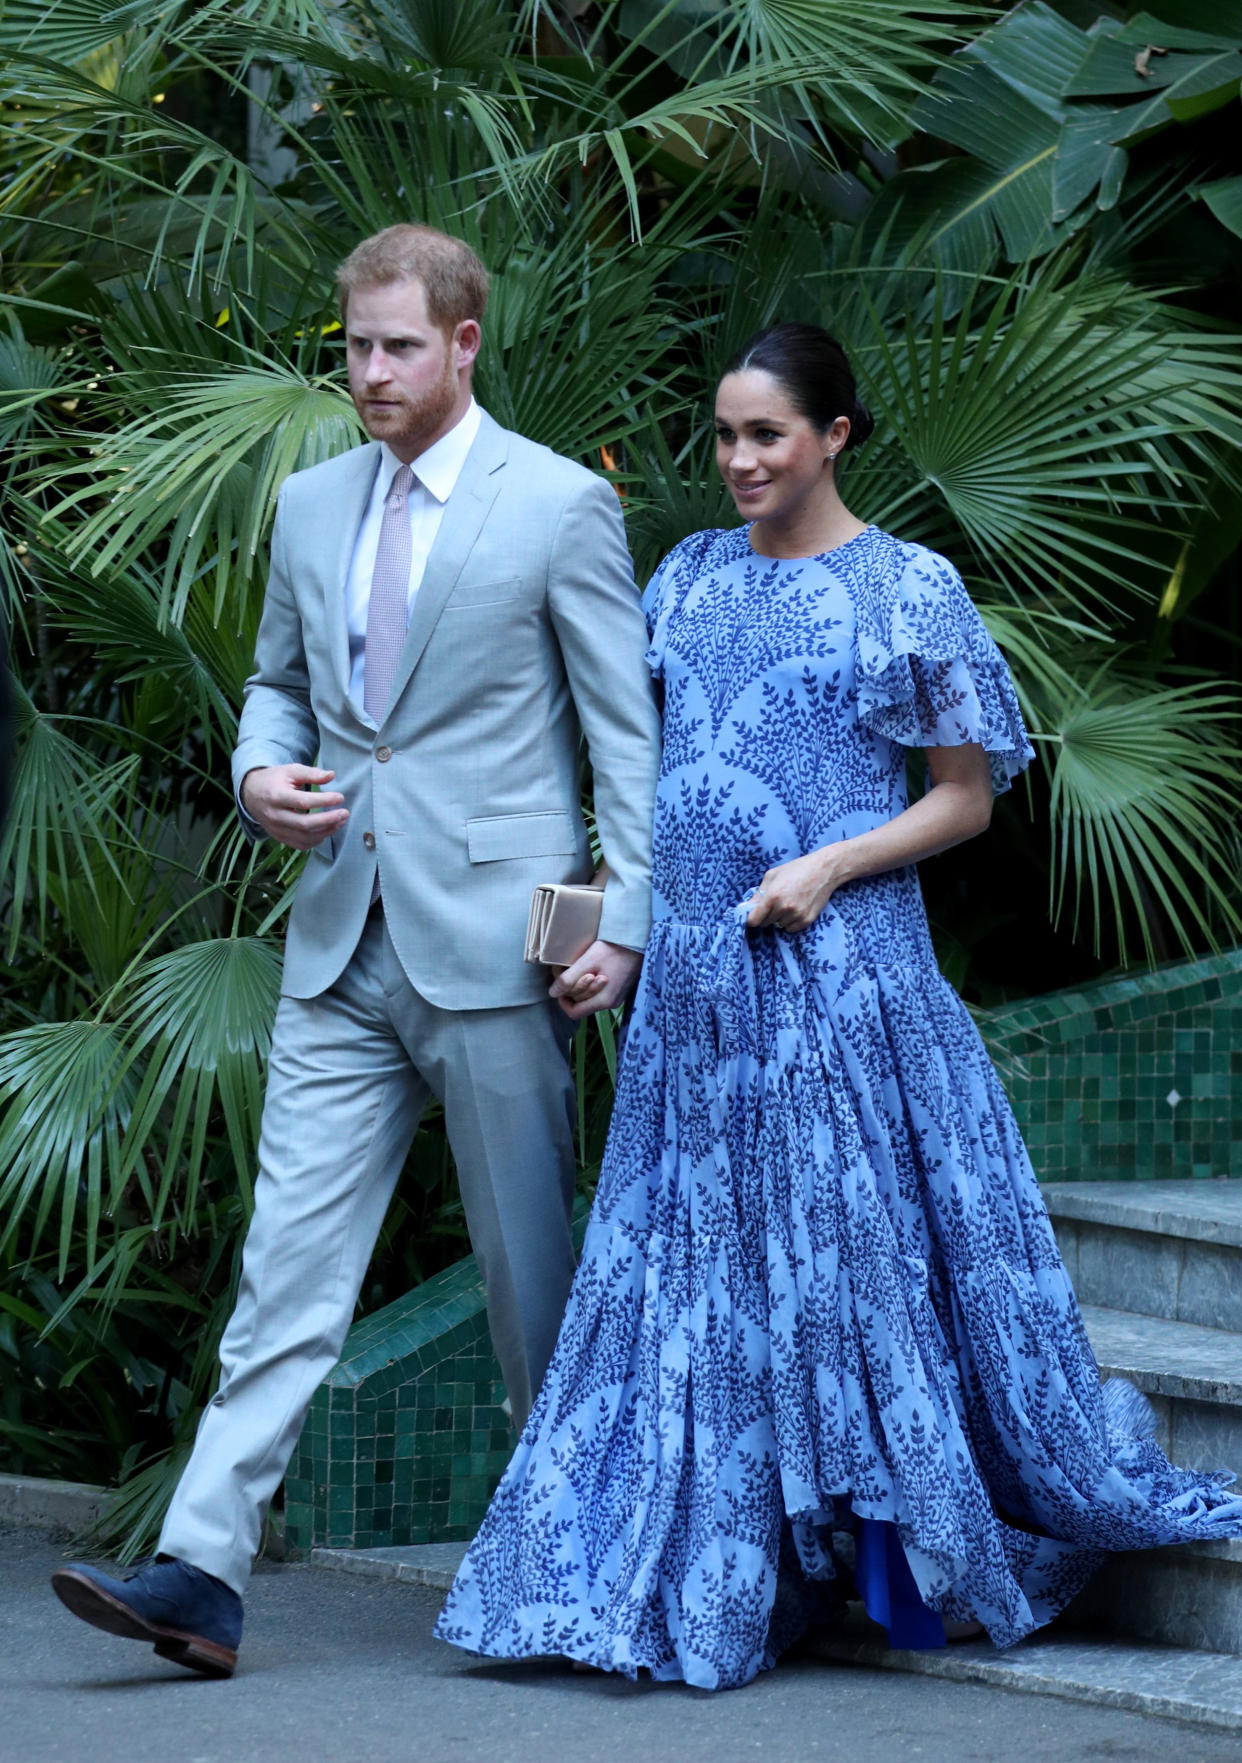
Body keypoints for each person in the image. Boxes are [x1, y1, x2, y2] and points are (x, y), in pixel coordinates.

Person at [435, 322, 1242, 1690]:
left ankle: (900, 1569)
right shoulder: (682, 579)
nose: (738, 459)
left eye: (765, 434)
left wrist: (826, 863)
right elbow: (644, 801)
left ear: (833, 438)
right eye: (724, 434)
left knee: (845, 1287)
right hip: (693, 1007)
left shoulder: (903, 589)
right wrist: (606, 944)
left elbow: (965, 794)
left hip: (840, 987)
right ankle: (706, 1563)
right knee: (692, 1293)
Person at [50, 224, 662, 1678]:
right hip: (335, 940)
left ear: (464, 341)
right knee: (284, 1273)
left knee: (529, 1281)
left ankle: (567, 1553)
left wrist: (626, 917)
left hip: (502, 950)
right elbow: (274, 689)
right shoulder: (313, 502)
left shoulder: (560, 504)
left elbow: (622, 738)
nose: (369, 372)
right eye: (354, 345)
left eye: (397, 346)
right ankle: (202, 1570)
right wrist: (264, 776)